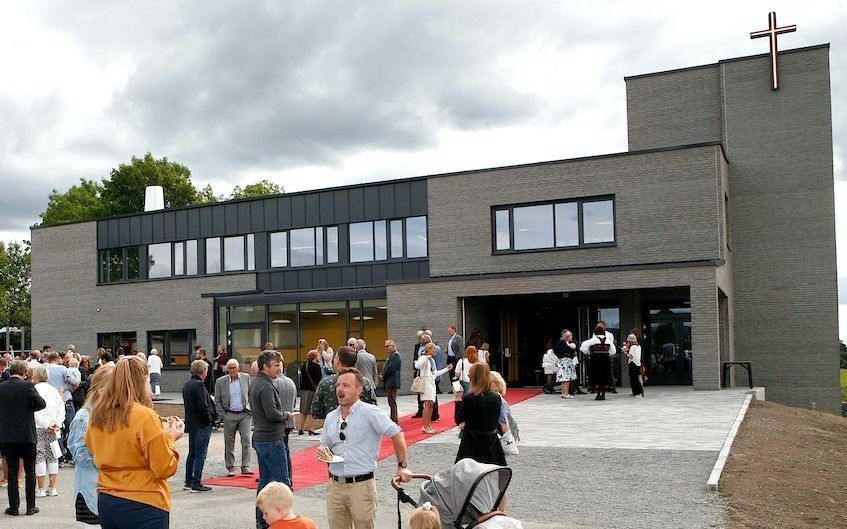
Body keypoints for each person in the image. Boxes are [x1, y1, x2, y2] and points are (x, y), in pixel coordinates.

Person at [85, 355, 183, 529]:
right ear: (141, 381)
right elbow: (164, 467)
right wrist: (170, 438)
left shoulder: (98, 414)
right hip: (144, 500)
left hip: (108, 498)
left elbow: (94, 449)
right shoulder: (145, 416)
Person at [321, 368, 412, 529]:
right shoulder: (331, 417)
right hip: (335, 486)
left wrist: (402, 466)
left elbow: (397, 433)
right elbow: (325, 446)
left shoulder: (370, 413)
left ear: (358, 390)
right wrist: (323, 452)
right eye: (338, 385)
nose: (340, 389)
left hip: (361, 487)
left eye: (346, 385)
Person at [249, 349, 298, 529]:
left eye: (280, 364)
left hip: (262, 437)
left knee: (265, 484)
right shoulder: (266, 385)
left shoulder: (257, 383)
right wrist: (287, 415)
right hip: (271, 439)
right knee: (281, 485)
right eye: (276, 365)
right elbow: (272, 414)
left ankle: (262, 522)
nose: (280, 368)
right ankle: (282, 524)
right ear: (265, 366)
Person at [67, 364, 113, 527]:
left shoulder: (111, 414)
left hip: (109, 491)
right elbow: (79, 456)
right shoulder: (83, 417)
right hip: (90, 492)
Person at [0, 360, 47, 516]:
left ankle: (13, 507)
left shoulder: (1, 387)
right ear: (25, 373)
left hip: (8, 435)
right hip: (27, 434)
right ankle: (30, 506)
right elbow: (41, 403)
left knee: (12, 472)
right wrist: (29, 409)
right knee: (30, 470)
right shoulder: (28, 386)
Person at [453, 362, 506, 465]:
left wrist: (458, 399)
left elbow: (459, 419)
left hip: (472, 442)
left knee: (469, 475)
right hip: (491, 440)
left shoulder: (469, 398)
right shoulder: (496, 397)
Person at [311, 347, 377, 421]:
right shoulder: (364, 382)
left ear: (338, 361)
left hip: (335, 427)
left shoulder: (326, 382)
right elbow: (373, 407)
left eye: (335, 358)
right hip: (360, 427)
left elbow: (316, 411)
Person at [215, 358, 253, 476]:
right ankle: (230, 466)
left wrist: (251, 409)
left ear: (238, 368)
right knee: (229, 442)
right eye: (230, 368)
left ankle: (245, 466)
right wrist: (223, 414)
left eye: (234, 368)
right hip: (229, 414)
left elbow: (251, 394)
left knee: (246, 440)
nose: (232, 370)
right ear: (227, 369)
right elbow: (217, 400)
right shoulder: (220, 382)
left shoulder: (246, 378)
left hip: (244, 414)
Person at [182, 359, 216, 492]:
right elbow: (203, 406)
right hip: (201, 424)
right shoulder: (199, 385)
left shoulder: (187, 385)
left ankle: (188, 481)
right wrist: (209, 420)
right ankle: (196, 482)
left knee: (192, 453)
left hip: (191, 424)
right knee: (200, 454)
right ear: (203, 371)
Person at [33, 365, 65, 497]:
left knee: (39, 456)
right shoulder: (54, 390)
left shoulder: (34, 389)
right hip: (54, 427)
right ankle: (52, 487)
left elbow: (33, 411)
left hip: (39, 427)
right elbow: (60, 408)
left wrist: (46, 424)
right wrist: (57, 424)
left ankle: (40, 488)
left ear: (36, 376)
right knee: (53, 456)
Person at [414, 343, 452, 434]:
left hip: (431, 383)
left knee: (431, 404)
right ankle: (425, 426)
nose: (435, 351)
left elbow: (435, 373)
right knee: (427, 404)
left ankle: (428, 425)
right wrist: (425, 357)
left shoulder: (432, 360)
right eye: (434, 349)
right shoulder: (424, 358)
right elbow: (417, 366)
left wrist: (446, 369)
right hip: (426, 383)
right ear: (429, 349)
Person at [580, 325, 616, 401]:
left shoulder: (593, 340)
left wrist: (587, 352)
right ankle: (603, 393)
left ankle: (598, 393)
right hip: (605, 360)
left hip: (596, 359)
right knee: (604, 375)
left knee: (596, 375)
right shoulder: (608, 340)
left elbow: (583, 346)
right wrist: (607, 353)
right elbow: (613, 351)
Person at [297, 351, 322, 435]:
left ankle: (301, 428)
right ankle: (311, 428)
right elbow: (319, 380)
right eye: (318, 355)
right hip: (312, 390)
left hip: (304, 390)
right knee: (311, 410)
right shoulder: (316, 366)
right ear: (314, 356)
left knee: (303, 410)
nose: (319, 357)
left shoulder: (304, 365)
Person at [379, 340, 402, 423]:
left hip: (392, 382)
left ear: (393, 346)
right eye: (385, 346)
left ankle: (394, 420)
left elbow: (391, 368)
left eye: (387, 346)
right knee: (391, 401)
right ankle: (393, 418)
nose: (386, 348)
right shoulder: (391, 355)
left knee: (392, 402)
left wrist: (383, 376)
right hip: (390, 381)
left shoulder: (395, 355)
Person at [554, 330, 578, 399]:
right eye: (570, 335)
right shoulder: (562, 343)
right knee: (566, 378)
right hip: (565, 361)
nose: (571, 337)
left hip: (562, 361)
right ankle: (566, 393)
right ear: (566, 336)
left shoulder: (561, 342)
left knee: (563, 378)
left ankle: (563, 393)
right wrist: (572, 351)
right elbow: (569, 349)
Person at [624, 334, 645, 398]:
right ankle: (641, 392)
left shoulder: (633, 347)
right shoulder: (639, 346)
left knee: (633, 379)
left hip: (632, 364)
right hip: (638, 364)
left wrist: (625, 352)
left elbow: (631, 356)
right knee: (637, 379)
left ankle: (636, 392)